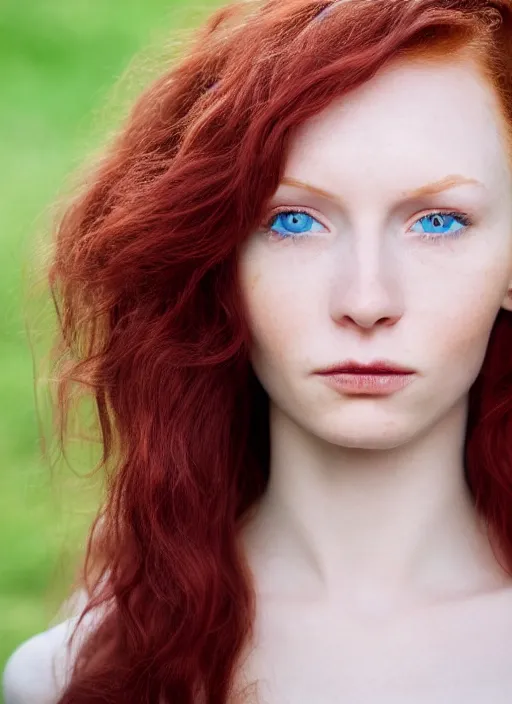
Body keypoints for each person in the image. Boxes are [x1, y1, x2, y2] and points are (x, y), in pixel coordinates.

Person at [5, 0, 512, 701]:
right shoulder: (69, 678)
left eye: (438, 221)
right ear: (220, 259)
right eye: (294, 220)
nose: (365, 300)